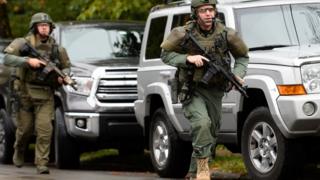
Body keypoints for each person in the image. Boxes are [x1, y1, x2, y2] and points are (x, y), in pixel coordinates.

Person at [160, 0, 249, 179]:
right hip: (191, 89)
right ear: (195, 13)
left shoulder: (226, 34)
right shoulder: (181, 33)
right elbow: (165, 54)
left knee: (212, 131)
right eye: (203, 11)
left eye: (211, 10)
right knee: (202, 124)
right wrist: (187, 59)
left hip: (215, 90)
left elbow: (242, 57)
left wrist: (237, 74)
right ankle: (202, 169)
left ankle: (193, 173)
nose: (208, 14)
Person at [3, 12, 71, 174]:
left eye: (47, 26)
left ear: (51, 28)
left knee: (45, 130)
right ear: (34, 27)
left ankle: (41, 163)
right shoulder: (23, 43)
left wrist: (64, 76)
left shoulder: (57, 48)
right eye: (41, 26)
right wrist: (27, 61)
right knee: (25, 129)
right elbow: (7, 58)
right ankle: (19, 149)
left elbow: (66, 66)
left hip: (46, 94)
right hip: (25, 93)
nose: (44, 28)